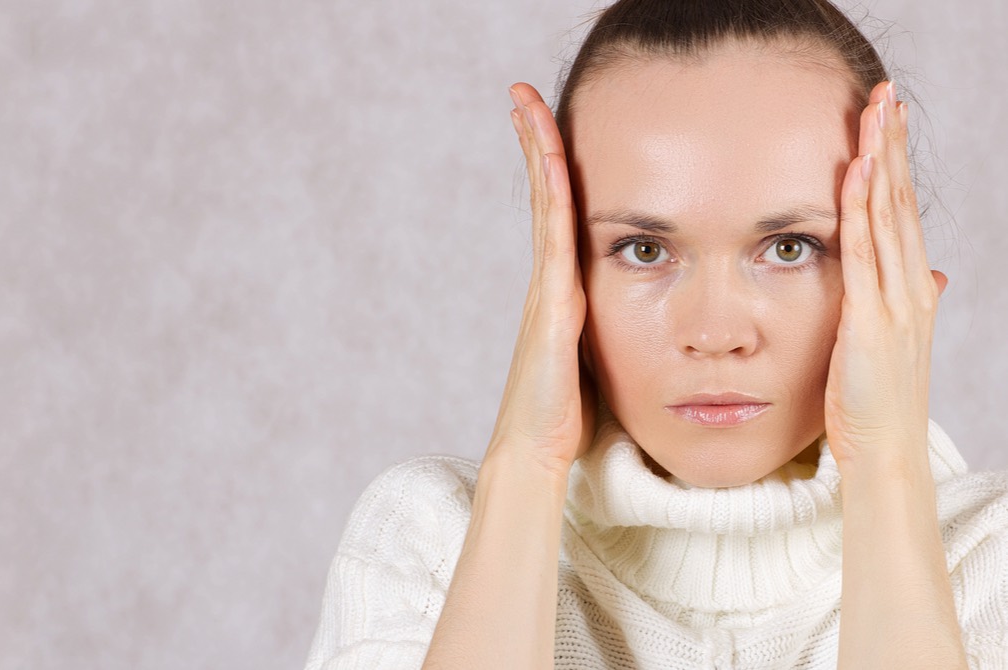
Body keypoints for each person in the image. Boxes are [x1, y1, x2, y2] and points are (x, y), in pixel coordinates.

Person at [304, 0, 1008, 667]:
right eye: (644, 249)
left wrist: (886, 462)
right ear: (564, 268)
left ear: (891, 262)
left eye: (790, 247)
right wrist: (525, 465)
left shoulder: (991, 555)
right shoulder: (428, 540)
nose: (715, 332)